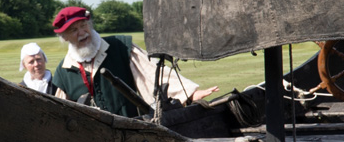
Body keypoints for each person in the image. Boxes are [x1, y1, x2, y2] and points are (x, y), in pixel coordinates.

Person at [50, 6, 219, 117]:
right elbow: (60, 113)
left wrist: (188, 94)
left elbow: (151, 73)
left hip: (134, 130)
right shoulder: (63, 72)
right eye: (74, 30)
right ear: (64, 37)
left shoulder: (120, 47)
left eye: (83, 26)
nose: (82, 33)